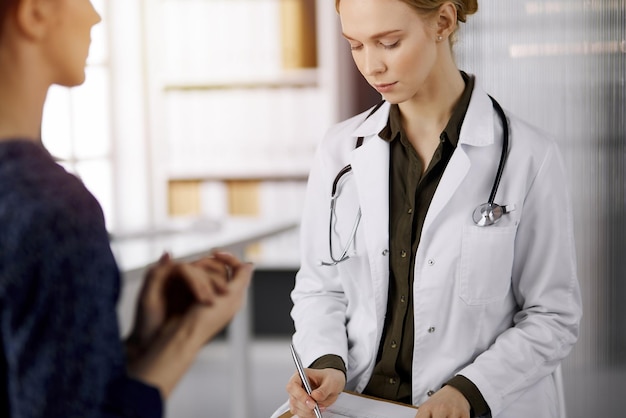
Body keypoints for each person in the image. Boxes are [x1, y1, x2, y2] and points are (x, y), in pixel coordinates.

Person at [277, 0, 582, 417]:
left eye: (388, 43)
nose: (371, 67)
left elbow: (552, 316)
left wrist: (468, 391)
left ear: (443, 21)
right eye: (356, 45)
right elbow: (320, 286)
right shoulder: (341, 150)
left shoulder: (529, 156)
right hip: (358, 403)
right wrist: (327, 362)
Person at [0, 0, 254, 417]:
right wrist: (188, 335)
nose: (95, 16)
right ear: (35, 13)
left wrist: (135, 348)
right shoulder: (56, 212)